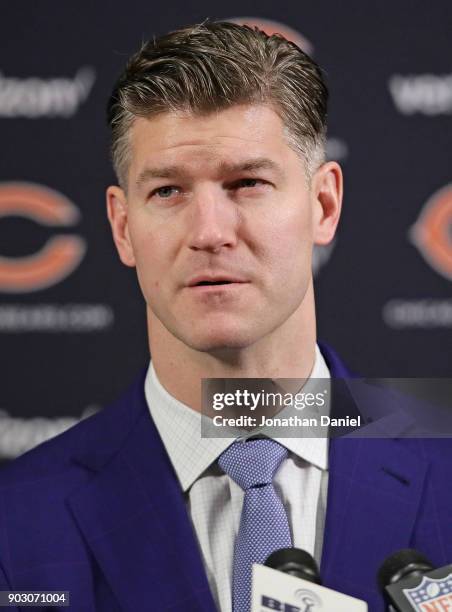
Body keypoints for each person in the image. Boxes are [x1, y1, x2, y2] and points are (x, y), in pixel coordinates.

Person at [0, 21, 450, 612]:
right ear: (121, 226)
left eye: (247, 183)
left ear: (324, 204)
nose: (210, 233)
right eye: (168, 192)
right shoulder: (16, 523)